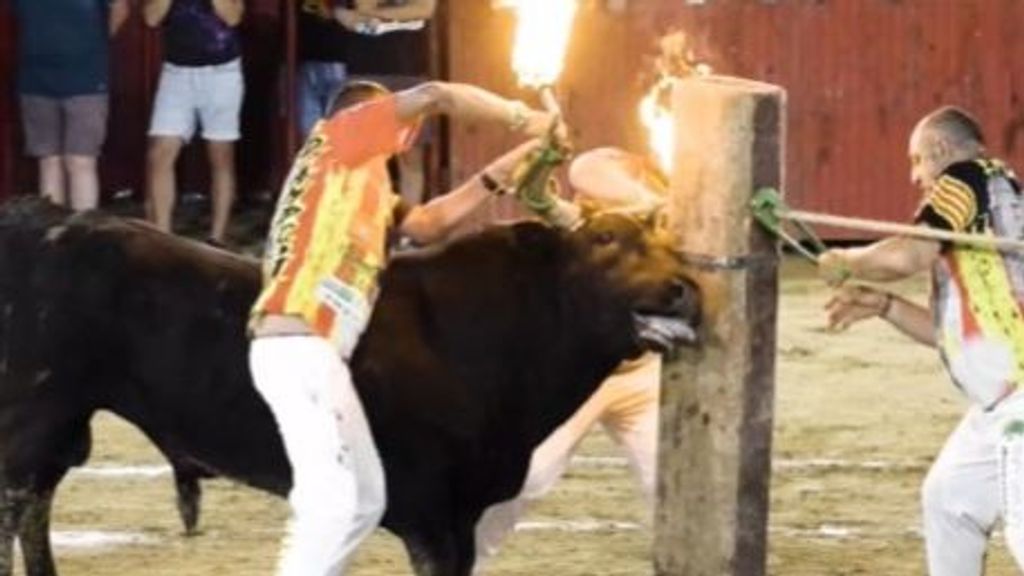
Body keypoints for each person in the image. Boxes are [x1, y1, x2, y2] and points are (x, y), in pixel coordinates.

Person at [247, 79, 561, 576]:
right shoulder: (343, 135)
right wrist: (525, 118)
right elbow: (436, 93)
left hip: (311, 350)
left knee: (367, 500)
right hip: (299, 345)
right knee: (332, 503)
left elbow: (428, 225)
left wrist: (505, 169)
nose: (409, 132)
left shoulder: (358, 176)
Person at [819, 105, 1024, 576]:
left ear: (940, 150)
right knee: (949, 497)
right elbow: (953, 338)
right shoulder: (994, 203)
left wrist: (847, 260)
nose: (916, 176)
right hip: (1001, 403)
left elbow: (909, 253)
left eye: (916, 161)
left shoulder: (965, 177)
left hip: (1018, 403)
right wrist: (886, 306)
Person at [472, 147, 668, 573]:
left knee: (673, 485)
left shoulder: (668, 224)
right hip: (573, 376)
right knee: (525, 476)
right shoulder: (579, 223)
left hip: (643, 379)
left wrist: (653, 206)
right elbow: (587, 168)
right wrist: (645, 203)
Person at [143, 0, 245, 245]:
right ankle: (163, 237)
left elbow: (233, 17)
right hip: (176, 73)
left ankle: (217, 238)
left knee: (220, 154)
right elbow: (150, 18)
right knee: (160, 153)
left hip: (222, 72)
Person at [12, 0, 129, 211]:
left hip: (86, 79)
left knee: (80, 160)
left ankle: (81, 236)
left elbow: (120, 8)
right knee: (49, 161)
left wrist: (92, 45)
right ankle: (53, 235)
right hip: (36, 77)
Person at [344, 0, 437, 206]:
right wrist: (402, 13)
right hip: (364, 71)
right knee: (362, 157)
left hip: (409, 70)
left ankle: (409, 231)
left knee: (411, 156)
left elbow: (425, 9)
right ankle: (362, 229)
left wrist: (375, 13)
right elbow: (355, 13)